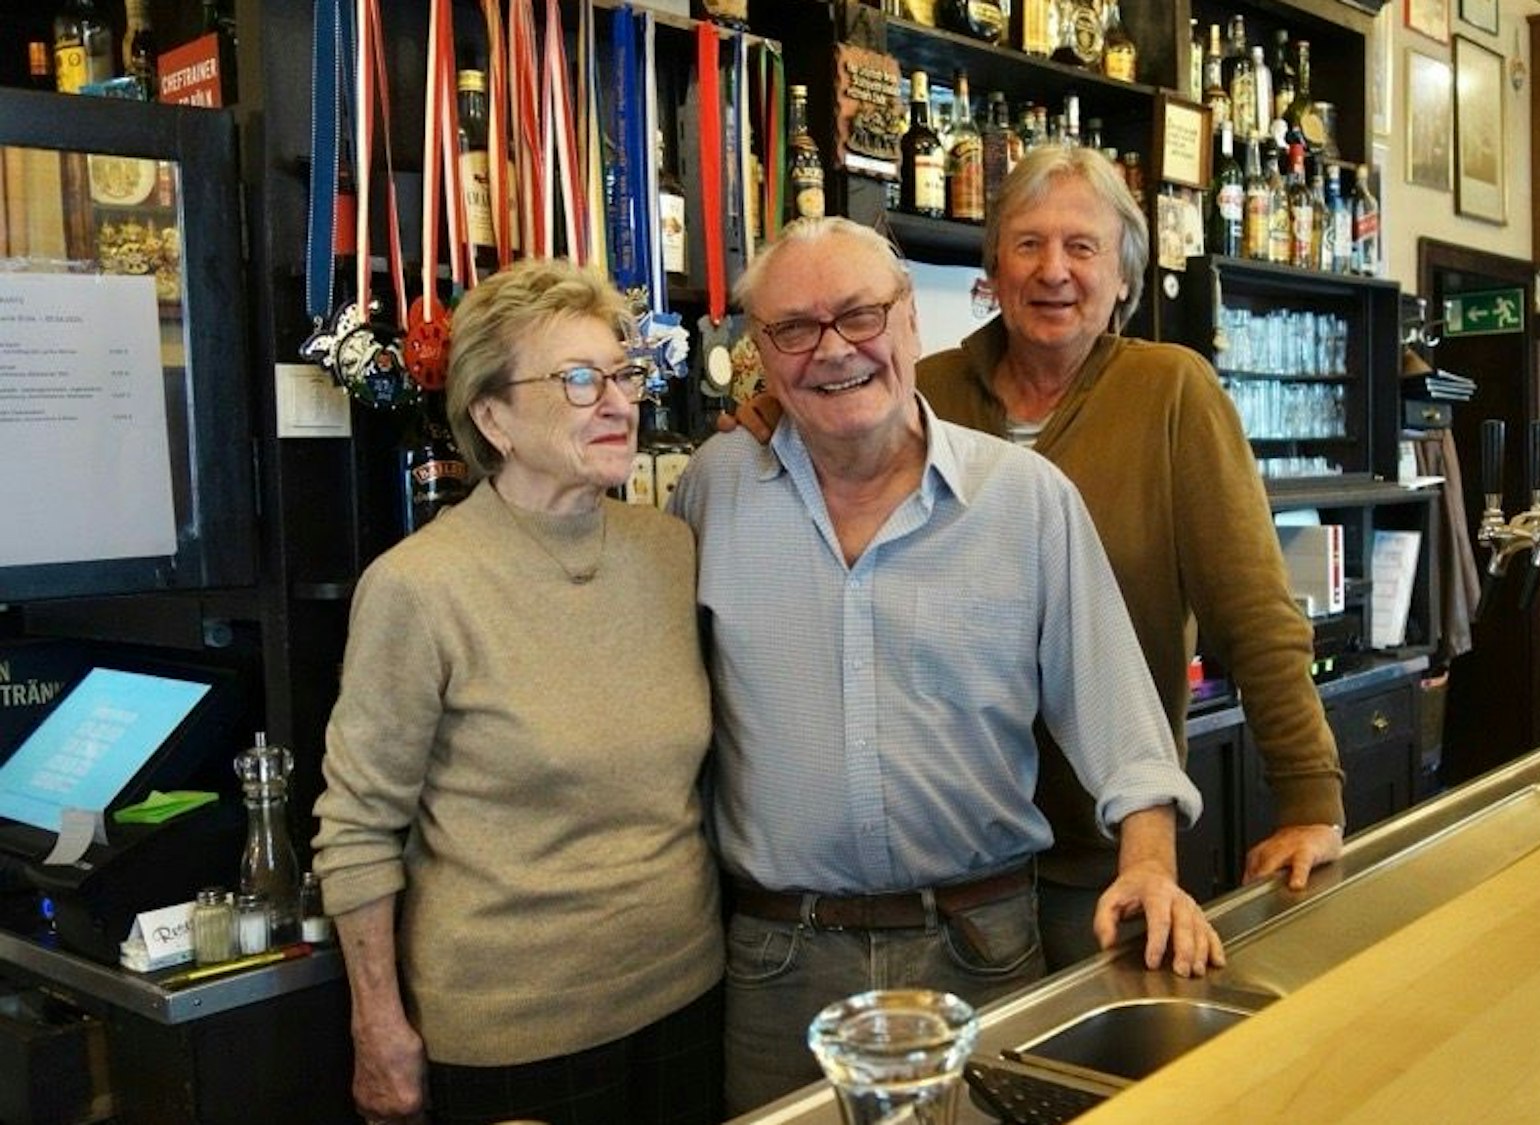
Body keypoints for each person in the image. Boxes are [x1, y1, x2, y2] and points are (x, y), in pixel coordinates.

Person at [728, 146, 1346, 967]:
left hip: (1111, 845)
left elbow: (1257, 616)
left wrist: (1309, 797)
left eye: (1082, 247)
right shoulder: (921, 391)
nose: (1053, 269)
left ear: (1124, 275)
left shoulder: (1172, 391)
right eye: (1027, 244)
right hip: (961, 863)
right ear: (993, 268)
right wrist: (778, 404)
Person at [671, 216, 1222, 1113]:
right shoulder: (712, 491)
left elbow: (1124, 723)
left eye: (859, 315)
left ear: (910, 326)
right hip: (775, 960)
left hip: (980, 946)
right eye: (795, 329)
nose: (833, 350)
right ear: (759, 356)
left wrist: (1152, 865)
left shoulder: (1024, 498)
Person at [312, 259, 723, 1125]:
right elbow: (357, 827)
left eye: (623, 373)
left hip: (688, 991)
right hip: (513, 1032)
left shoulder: (668, 549)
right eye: (579, 379)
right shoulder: (420, 586)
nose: (619, 402)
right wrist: (376, 1025)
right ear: (492, 415)